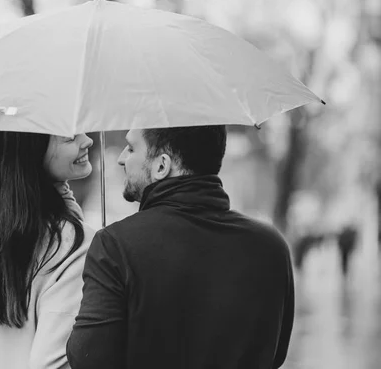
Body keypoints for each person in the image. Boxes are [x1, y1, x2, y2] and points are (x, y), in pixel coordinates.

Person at [67, 126, 295, 369]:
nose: (122, 158)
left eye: (132, 148)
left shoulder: (116, 245)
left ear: (162, 165)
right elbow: (277, 353)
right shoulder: (271, 247)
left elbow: (87, 359)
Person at [0, 131, 96, 369]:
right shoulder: (73, 244)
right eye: (70, 136)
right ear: (32, 151)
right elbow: (55, 363)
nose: (87, 140)